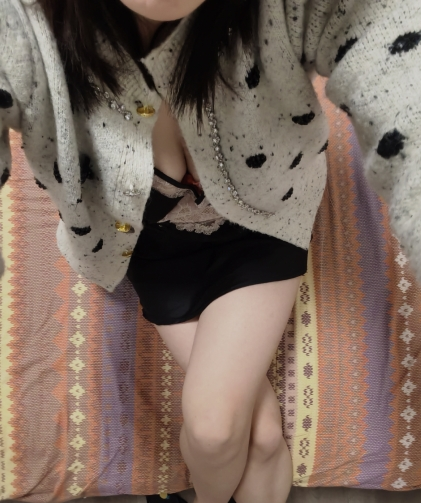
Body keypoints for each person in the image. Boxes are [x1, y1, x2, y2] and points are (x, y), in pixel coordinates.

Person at [0, 0, 420, 502]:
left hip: (263, 223)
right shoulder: (21, 24)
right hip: (148, 244)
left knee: (215, 430)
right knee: (259, 437)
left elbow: (403, 76)